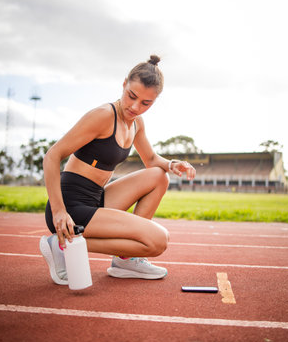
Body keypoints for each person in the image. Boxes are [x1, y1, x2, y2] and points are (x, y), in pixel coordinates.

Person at [39, 55, 196, 285]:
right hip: (71, 207)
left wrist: (172, 164)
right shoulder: (103, 116)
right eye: (132, 96)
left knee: (159, 176)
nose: (135, 106)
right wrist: (59, 211)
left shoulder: (136, 123)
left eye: (146, 103)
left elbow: (151, 159)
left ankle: (126, 259)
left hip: (96, 200)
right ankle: (63, 243)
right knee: (158, 241)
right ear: (124, 84)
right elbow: (52, 156)